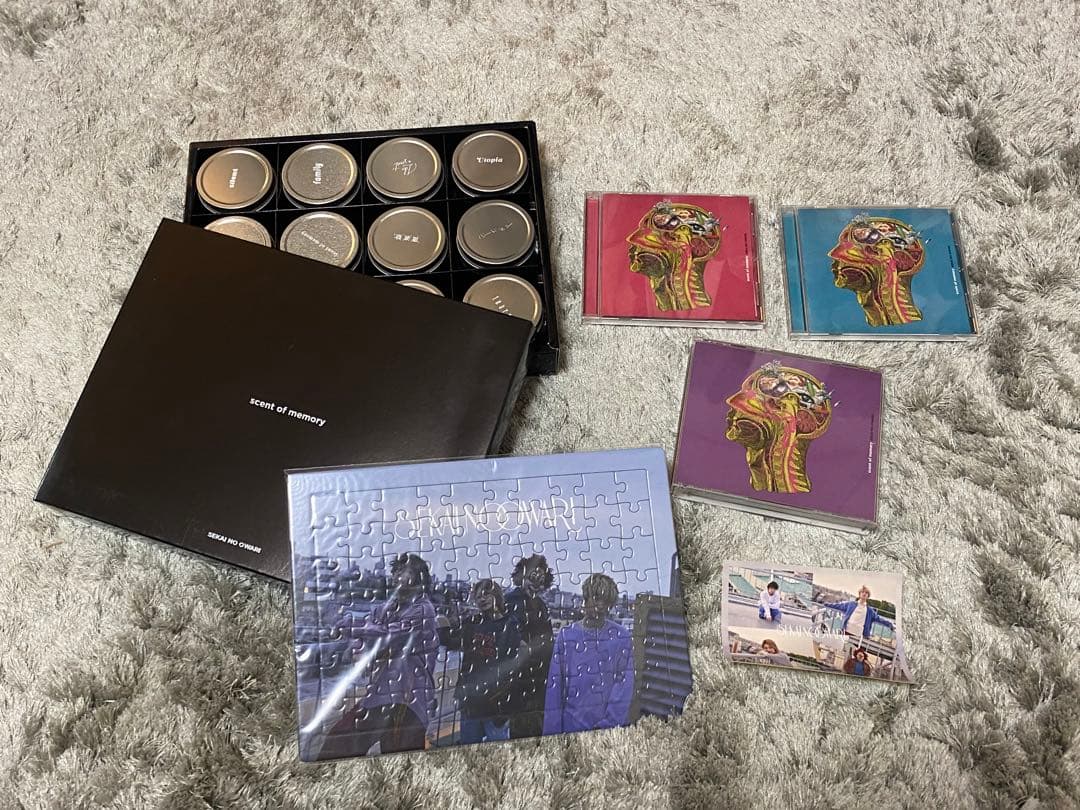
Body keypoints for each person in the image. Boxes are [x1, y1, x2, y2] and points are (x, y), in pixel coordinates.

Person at [316, 553, 439, 758]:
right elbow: (369, 627)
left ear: (419, 578)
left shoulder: (423, 609)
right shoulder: (388, 607)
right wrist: (358, 643)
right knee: (339, 740)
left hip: (408, 699)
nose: (396, 576)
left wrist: (347, 626)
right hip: (381, 693)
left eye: (403, 571)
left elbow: (387, 634)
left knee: (398, 758)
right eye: (395, 571)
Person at [543, 573, 634, 735]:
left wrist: (608, 725)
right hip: (569, 726)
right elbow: (554, 688)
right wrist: (552, 731)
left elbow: (623, 687)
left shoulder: (621, 637)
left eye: (604, 600)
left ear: (611, 604)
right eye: (594, 598)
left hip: (605, 731)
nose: (599, 604)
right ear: (585, 599)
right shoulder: (566, 635)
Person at [437, 579, 521, 745]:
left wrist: (507, 702)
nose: (482, 599)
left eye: (486, 594)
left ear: (497, 595)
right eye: (478, 596)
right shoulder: (472, 622)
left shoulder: (510, 625)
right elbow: (452, 642)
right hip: (471, 701)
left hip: (497, 704)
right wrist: (444, 626)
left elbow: (513, 666)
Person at [503, 555, 555, 739]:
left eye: (540, 580)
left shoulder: (540, 605)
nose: (536, 583)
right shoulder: (510, 601)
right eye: (532, 578)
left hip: (536, 677)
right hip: (519, 678)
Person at [821, 585, 894, 641]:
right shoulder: (851, 604)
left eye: (866, 593)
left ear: (868, 596)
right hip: (846, 631)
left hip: (858, 635)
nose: (864, 594)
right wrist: (826, 604)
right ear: (859, 594)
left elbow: (879, 619)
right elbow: (838, 606)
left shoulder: (869, 610)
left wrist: (890, 624)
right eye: (863, 592)